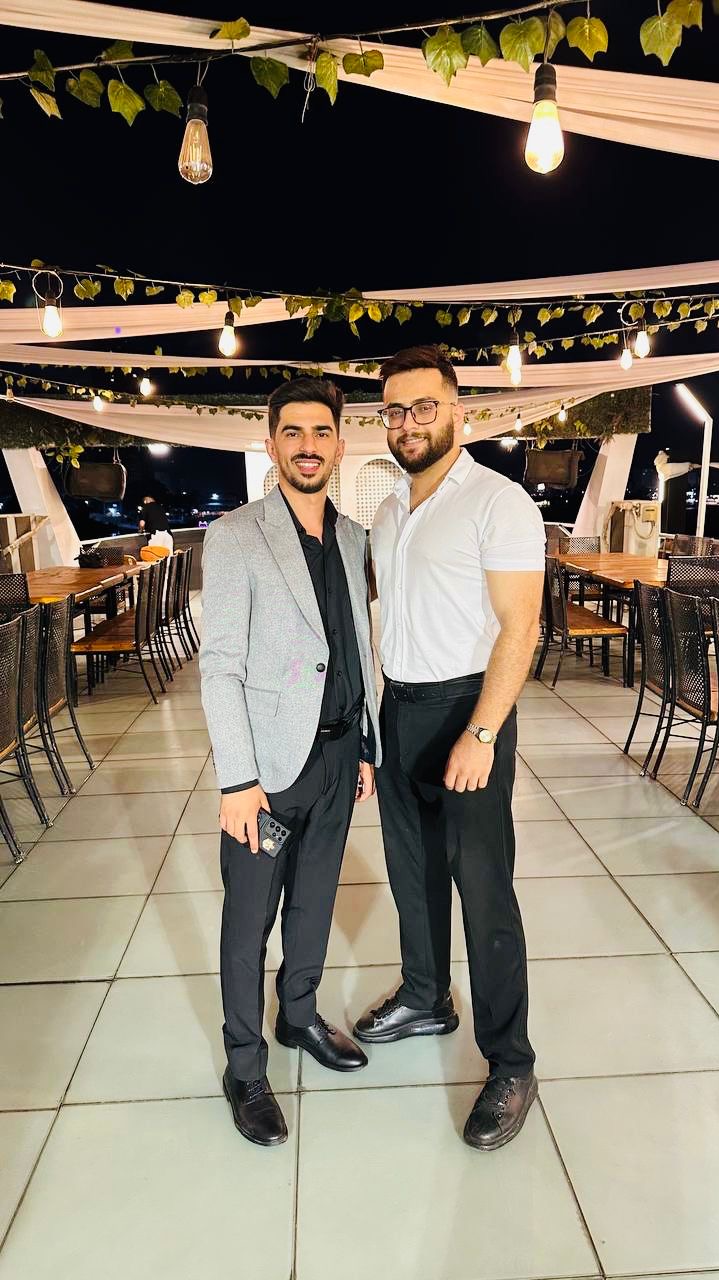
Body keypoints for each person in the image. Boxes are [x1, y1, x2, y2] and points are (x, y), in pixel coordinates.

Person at [353, 345, 546, 1152]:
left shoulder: (498, 502)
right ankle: (426, 996)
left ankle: (511, 1062)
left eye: (423, 407)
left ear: (456, 412)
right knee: (415, 873)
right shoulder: (389, 511)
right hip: (399, 708)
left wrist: (483, 730)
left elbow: (521, 626)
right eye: (395, 411)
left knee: (485, 890)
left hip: (468, 711)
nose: (408, 423)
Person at [200, 377, 381, 1148]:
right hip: (267, 774)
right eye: (294, 433)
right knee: (249, 923)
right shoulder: (237, 535)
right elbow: (220, 667)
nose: (309, 446)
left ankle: (298, 1016)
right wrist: (238, 780)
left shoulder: (354, 537)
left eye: (321, 432)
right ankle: (244, 1068)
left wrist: (365, 742)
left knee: (314, 901)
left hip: (339, 756)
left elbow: (355, 646)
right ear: (272, 444)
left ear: (339, 444)